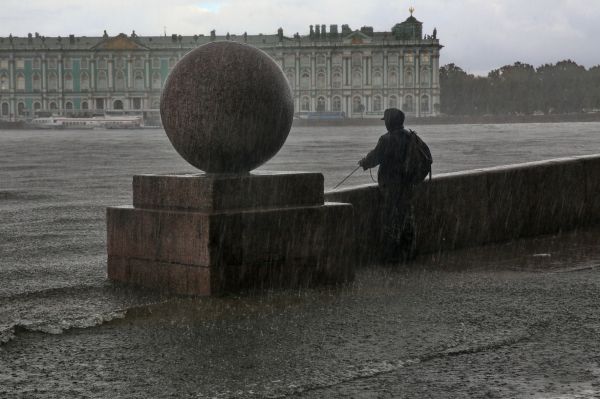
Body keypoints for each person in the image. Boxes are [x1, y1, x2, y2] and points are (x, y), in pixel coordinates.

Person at [358, 108, 417, 263]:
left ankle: (390, 256)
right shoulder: (410, 136)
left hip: (391, 185)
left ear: (390, 122)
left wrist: (364, 162)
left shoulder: (386, 139)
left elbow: (374, 158)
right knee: (407, 218)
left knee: (390, 219)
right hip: (408, 184)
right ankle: (408, 253)